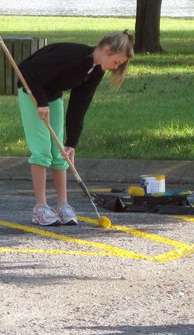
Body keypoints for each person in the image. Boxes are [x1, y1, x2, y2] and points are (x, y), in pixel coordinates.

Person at [17, 31, 134, 226]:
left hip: (52, 95)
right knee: (42, 150)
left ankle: (63, 205)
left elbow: (79, 106)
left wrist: (72, 142)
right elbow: (26, 70)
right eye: (116, 62)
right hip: (31, 92)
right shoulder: (71, 56)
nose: (116, 67)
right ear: (107, 50)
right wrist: (40, 101)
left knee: (60, 152)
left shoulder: (95, 72)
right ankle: (40, 207)